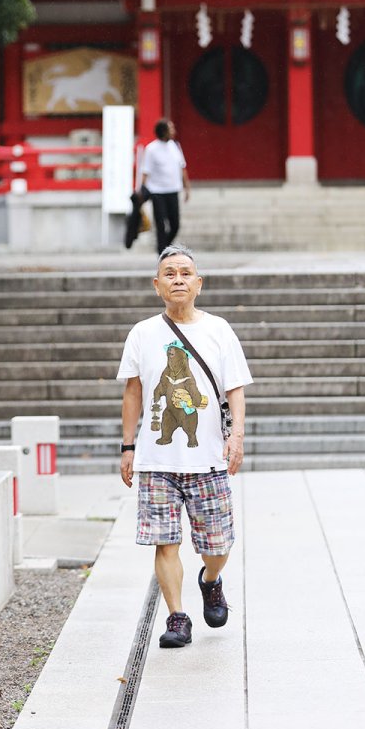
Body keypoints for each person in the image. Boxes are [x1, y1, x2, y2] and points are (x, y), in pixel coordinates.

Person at [117, 244, 251, 649]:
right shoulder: (142, 333)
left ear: (198, 284)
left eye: (185, 273)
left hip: (208, 459)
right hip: (157, 460)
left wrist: (237, 436)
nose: (178, 279)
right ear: (157, 286)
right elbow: (133, 393)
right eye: (170, 273)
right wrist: (127, 447)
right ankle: (177, 617)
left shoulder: (219, 330)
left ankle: (210, 580)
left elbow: (236, 390)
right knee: (165, 539)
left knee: (218, 544)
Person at [140, 119, 190, 254]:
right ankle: (161, 252)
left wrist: (187, 188)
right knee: (161, 224)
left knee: (175, 224)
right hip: (157, 191)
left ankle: (165, 247)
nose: (174, 131)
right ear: (163, 131)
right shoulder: (151, 149)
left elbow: (182, 167)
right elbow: (146, 171)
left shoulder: (175, 146)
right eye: (171, 129)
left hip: (173, 190)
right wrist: (141, 190)